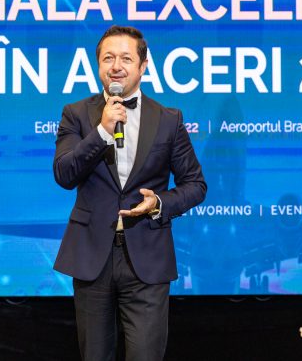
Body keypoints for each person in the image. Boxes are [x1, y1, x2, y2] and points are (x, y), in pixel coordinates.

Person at [53, 26, 207, 360]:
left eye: (125, 58)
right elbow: (64, 174)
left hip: (147, 257)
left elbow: (196, 185)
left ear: (143, 65)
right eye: (108, 58)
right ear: (98, 65)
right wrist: (102, 131)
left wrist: (159, 203)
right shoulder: (76, 114)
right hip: (92, 255)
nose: (116, 66)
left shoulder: (168, 119)